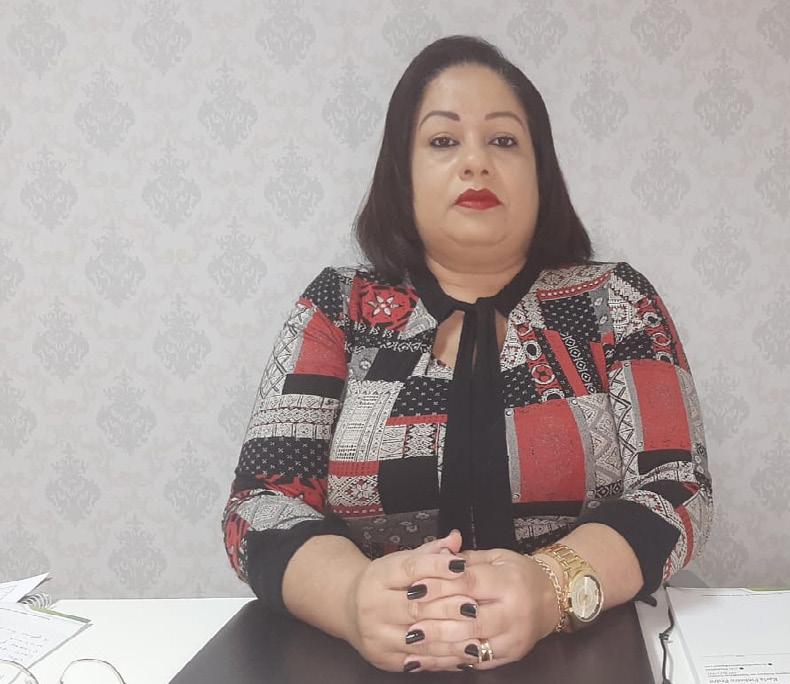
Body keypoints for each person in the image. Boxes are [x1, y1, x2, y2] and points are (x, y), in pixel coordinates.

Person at [222, 34, 713, 673]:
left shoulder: (614, 302)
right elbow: (260, 503)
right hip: (365, 661)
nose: (476, 162)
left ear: (542, 172)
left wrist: (553, 586)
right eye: (443, 141)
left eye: (504, 140)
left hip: (584, 653)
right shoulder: (339, 308)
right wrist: (351, 597)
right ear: (402, 172)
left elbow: (679, 488)